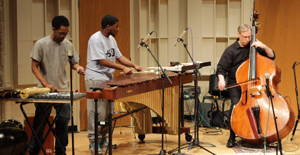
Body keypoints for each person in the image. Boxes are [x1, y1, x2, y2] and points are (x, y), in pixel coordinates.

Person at [85, 14, 144, 154]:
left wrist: (134, 65)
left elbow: (120, 57)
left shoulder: (111, 39)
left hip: (108, 79)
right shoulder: (95, 39)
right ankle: (93, 143)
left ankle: (103, 139)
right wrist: (122, 68)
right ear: (108, 26)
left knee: (108, 113)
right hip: (95, 78)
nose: (118, 29)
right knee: (98, 112)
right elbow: (102, 61)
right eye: (117, 26)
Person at [28, 15, 85, 155]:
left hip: (62, 89)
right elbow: (34, 66)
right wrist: (46, 84)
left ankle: (60, 150)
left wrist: (78, 68)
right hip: (44, 90)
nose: (64, 36)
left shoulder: (68, 45)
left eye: (67, 33)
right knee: (40, 123)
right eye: (61, 33)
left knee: (64, 119)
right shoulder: (41, 44)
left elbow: (73, 62)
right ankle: (34, 151)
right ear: (53, 29)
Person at [216, 23, 275, 148]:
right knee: (236, 106)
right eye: (245, 37)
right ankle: (232, 135)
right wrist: (221, 80)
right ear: (238, 35)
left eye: (249, 36)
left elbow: (272, 55)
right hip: (236, 84)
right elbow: (221, 68)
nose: (247, 40)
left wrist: (263, 46)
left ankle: (260, 132)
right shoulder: (230, 50)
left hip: (254, 83)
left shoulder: (254, 47)